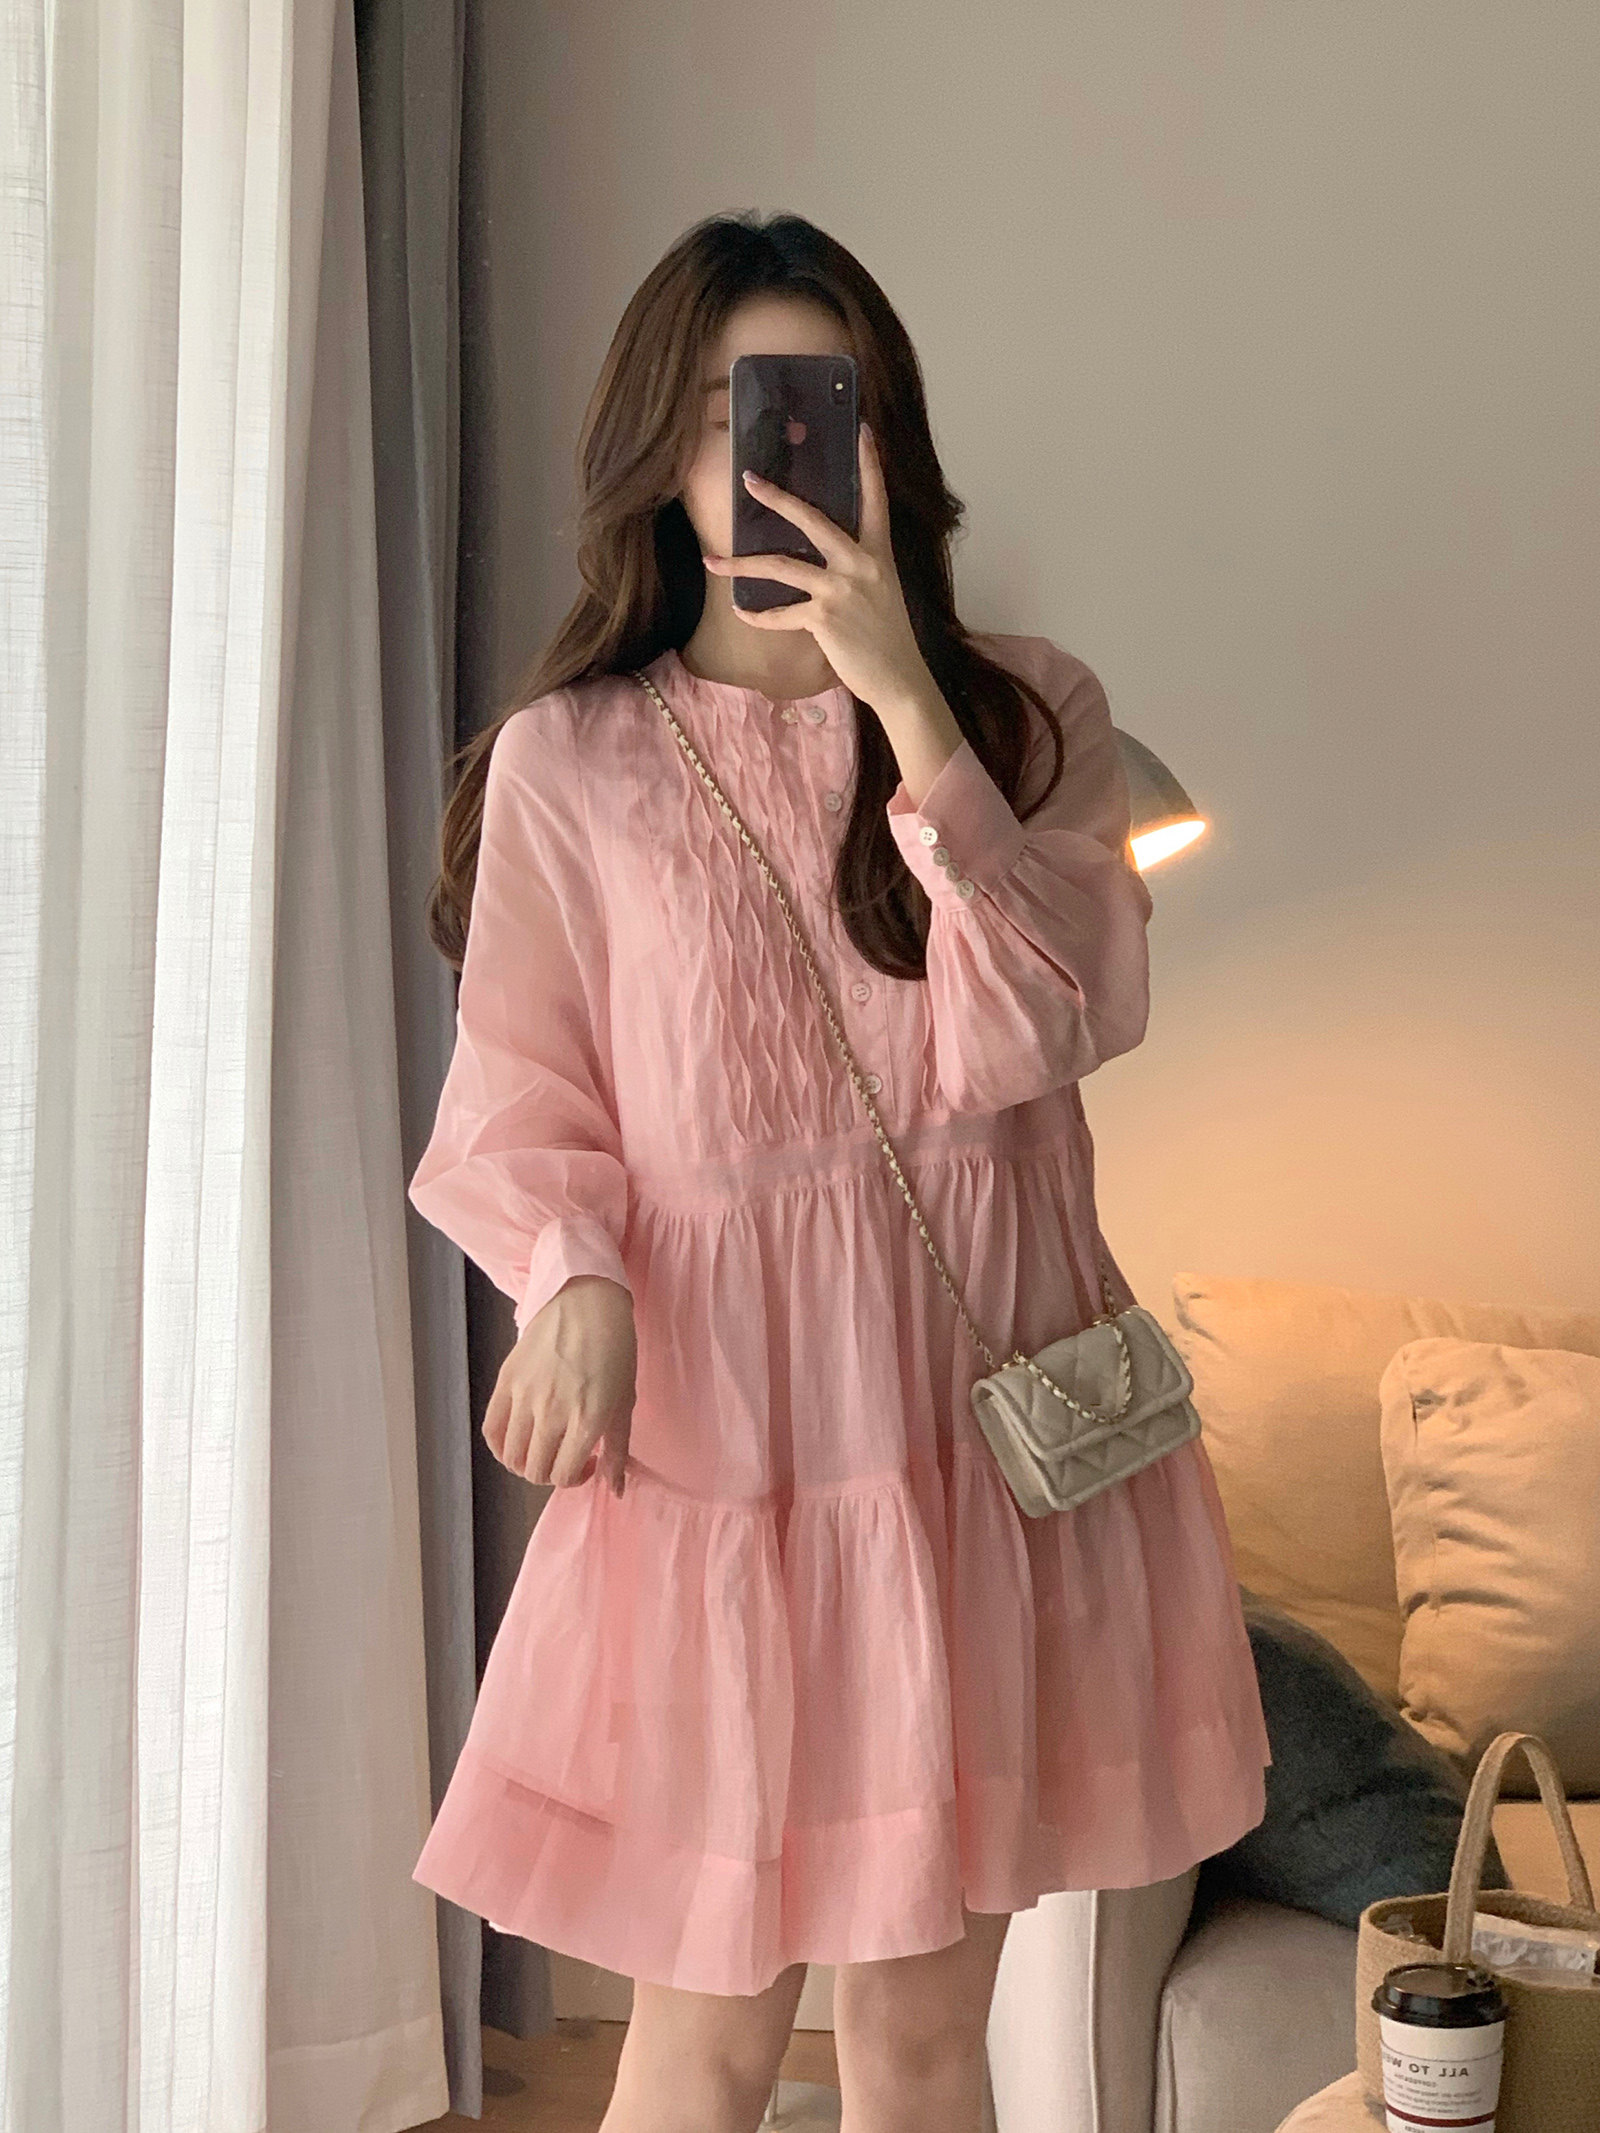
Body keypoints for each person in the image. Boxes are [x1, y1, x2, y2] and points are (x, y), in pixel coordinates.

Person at [407, 210, 1271, 2133]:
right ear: (665, 454)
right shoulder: (574, 761)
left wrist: (906, 705)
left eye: (825, 407)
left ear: (889, 442)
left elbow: (1039, 1030)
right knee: (703, 2045)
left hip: (979, 1458)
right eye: (737, 414)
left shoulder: (1031, 714)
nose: (783, 454)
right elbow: (524, 1096)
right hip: (737, 1449)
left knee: (919, 2044)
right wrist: (576, 1277)